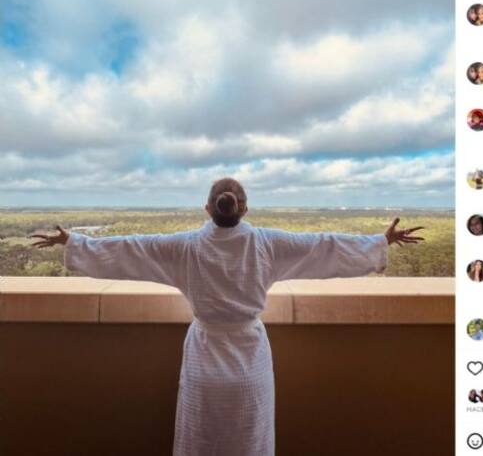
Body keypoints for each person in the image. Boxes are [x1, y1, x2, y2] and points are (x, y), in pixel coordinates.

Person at [30, 178, 424, 456]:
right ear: (244, 208)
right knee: (250, 442)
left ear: (208, 208)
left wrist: (75, 243)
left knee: (200, 440)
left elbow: (130, 250)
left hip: (204, 362)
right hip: (251, 364)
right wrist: (379, 242)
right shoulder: (268, 243)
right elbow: (324, 247)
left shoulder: (184, 247)